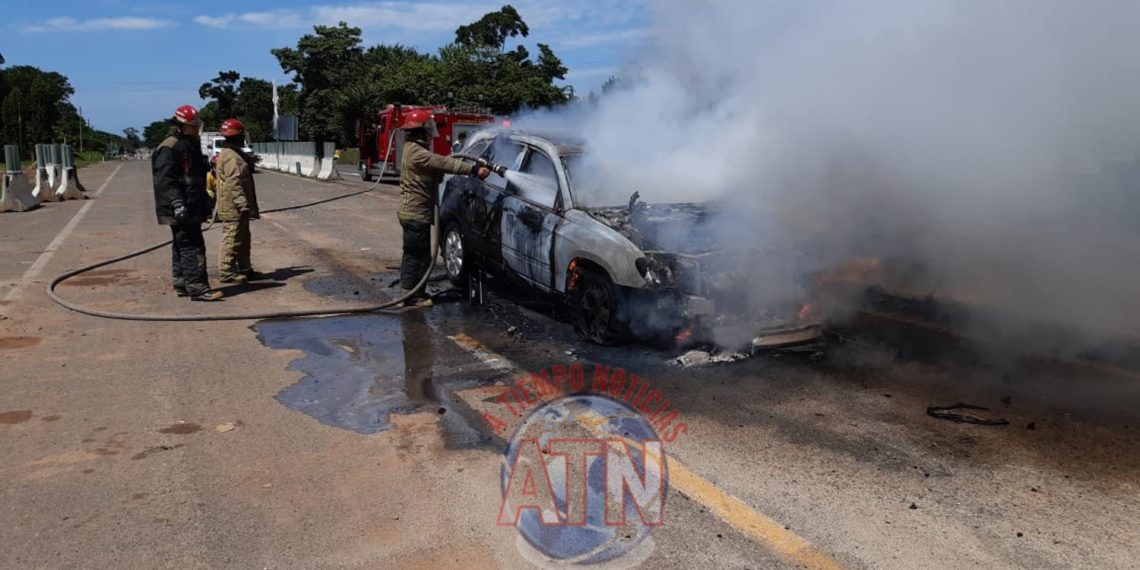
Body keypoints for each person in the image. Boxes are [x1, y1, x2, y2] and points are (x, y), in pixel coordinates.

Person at [397, 109, 490, 308]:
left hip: (415, 212)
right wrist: (473, 169)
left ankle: (413, 292)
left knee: (419, 254)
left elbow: (435, 167)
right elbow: (442, 162)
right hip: (415, 214)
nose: (431, 134)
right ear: (419, 131)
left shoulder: (412, 149)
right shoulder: (416, 152)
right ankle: (410, 295)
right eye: (428, 129)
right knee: (416, 255)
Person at [151, 105, 222, 301]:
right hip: (181, 205)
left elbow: (194, 173)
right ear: (181, 126)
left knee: (181, 244)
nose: (196, 130)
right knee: (192, 245)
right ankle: (198, 287)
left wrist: (211, 165)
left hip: (192, 203)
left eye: (197, 126)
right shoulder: (169, 147)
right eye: (192, 126)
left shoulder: (189, 144)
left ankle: (182, 282)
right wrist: (177, 203)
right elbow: (166, 180)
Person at [214, 118, 262, 283]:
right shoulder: (231, 157)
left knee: (243, 239)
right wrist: (242, 203)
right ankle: (226, 272)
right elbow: (234, 182)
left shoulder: (233, 153)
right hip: (233, 207)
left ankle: (244, 269)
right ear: (239, 136)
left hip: (236, 206)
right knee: (232, 239)